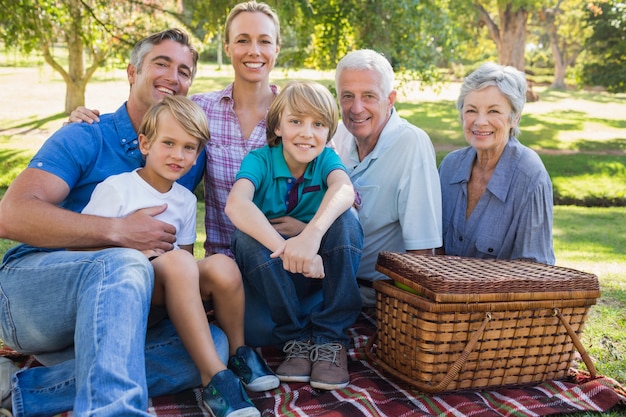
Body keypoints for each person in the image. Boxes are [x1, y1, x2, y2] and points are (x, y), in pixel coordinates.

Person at [0, 29, 245, 417]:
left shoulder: (185, 154)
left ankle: (20, 392)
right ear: (132, 72)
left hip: (122, 303)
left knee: (210, 348)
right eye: (161, 63)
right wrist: (118, 232)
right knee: (124, 260)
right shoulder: (85, 136)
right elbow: (10, 215)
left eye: (184, 70)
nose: (172, 76)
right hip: (34, 292)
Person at [81, 95, 277, 417]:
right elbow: (82, 252)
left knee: (223, 266)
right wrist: (131, 249)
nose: (178, 155)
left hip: (165, 299)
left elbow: (185, 260)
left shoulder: (185, 200)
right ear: (144, 143)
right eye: (168, 143)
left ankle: (239, 354)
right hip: (122, 296)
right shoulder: (117, 189)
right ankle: (213, 378)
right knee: (176, 261)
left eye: (189, 147)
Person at [225, 81, 363, 390]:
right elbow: (236, 205)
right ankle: (295, 339)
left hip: (319, 277)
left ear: (329, 133)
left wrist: (309, 237)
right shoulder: (260, 160)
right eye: (296, 121)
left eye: (318, 124)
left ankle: (331, 338)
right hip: (271, 281)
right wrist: (289, 250)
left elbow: (344, 189)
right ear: (276, 127)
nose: (306, 132)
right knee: (245, 237)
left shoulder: (325, 160)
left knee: (347, 219)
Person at [332, 49, 443, 307]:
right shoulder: (335, 136)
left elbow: (422, 253)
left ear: (390, 99)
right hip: (324, 286)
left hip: (377, 298)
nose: (356, 108)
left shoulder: (411, 143)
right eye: (347, 96)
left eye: (369, 96)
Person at [438, 62, 555, 264]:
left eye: (493, 111)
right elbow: (433, 247)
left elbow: (535, 270)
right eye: (471, 110)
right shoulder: (449, 167)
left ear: (515, 118)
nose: (480, 121)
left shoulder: (530, 176)